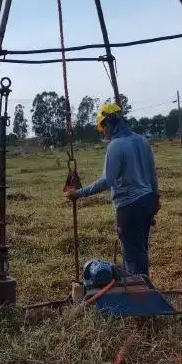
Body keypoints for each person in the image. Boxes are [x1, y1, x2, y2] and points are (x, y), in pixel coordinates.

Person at [64, 103, 160, 278]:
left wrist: (78, 193)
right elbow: (152, 174)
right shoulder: (142, 140)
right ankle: (143, 287)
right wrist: (156, 198)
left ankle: (140, 295)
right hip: (147, 201)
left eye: (102, 127)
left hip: (129, 207)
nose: (103, 132)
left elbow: (107, 181)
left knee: (132, 256)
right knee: (140, 249)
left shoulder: (115, 146)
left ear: (108, 123)